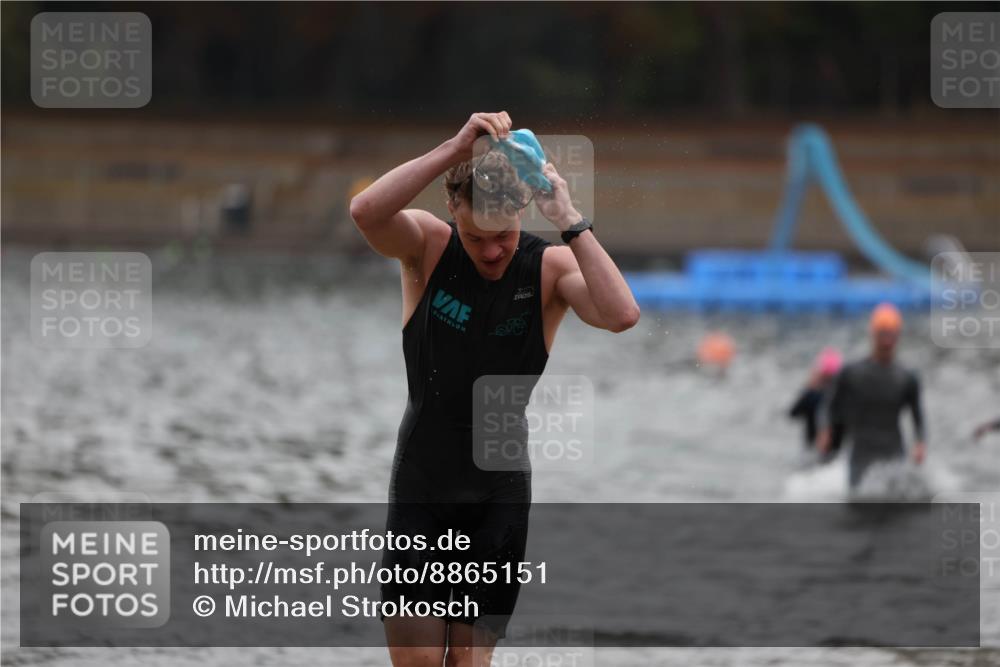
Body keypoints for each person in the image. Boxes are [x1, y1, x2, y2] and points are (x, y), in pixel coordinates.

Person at [349, 111, 640, 667]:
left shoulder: (550, 270)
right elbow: (365, 211)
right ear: (452, 211)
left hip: (498, 495)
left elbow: (622, 314)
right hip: (423, 486)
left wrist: (571, 219)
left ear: (523, 213)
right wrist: (455, 149)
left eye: (503, 236)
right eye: (475, 237)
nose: (489, 252)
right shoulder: (428, 249)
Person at [817, 303, 926, 488]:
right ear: (873, 334)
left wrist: (920, 442)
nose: (886, 340)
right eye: (882, 333)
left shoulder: (907, 378)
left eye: (891, 334)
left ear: (898, 336)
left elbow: (917, 415)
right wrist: (826, 430)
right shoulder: (851, 373)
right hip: (861, 451)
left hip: (893, 451)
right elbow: (829, 405)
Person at [788, 347, 842, 458]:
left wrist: (808, 388)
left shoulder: (811, 396)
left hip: (813, 450)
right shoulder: (842, 397)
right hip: (835, 453)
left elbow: (793, 414)